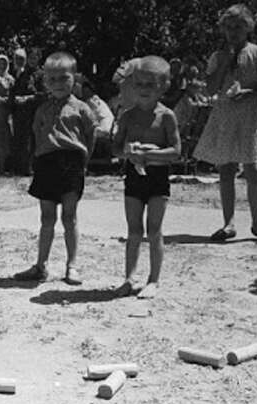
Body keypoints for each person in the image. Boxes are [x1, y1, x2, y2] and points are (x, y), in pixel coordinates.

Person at [193, 4, 257, 245]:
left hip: (250, 113)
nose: (233, 32)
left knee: (253, 169)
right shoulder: (218, 56)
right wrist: (224, 62)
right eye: (229, 28)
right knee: (226, 168)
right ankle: (228, 224)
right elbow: (210, 88)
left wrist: (250, 91)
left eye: (238, 27)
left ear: (248, 28)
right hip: (225, 113)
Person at [13, 52, 96, 285]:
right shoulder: (42, 109)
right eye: (52, 79)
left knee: (69, 217)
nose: (58, 83)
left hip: (71, 164)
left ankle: (72, 266)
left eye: (63, 78)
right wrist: (37, 160)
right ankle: (41, 266)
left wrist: (83, 162)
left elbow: (90, 136)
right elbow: (37, 134)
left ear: (74, 78)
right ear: (45, 81)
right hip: (46, 164)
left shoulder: (82, 109)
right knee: (47, 217)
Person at [111, 56, 182, 298]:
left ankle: (153, 280)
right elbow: (116, 148)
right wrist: (128, 152)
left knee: (154, 231)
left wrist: (150, 154)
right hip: (133, 176)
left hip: (157, 178)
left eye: (150, 85)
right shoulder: (127, 116)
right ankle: (129, 278)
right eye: (139, 84)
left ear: (163, 87)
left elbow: (176, 151)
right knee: (133, 231)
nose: (143, 89)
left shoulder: (166, 116)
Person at [9, 48, 42, 175]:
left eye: (34, 58)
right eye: (30, 58)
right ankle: (19, 167)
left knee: (32, 139)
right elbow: (15, 90)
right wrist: (14, 99)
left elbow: (45, 94)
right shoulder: (22, 74)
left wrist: (28, 98)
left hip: (34, 111)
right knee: (20, 138)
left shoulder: (41, 74)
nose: (31, 61)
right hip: (20, 112)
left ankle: (30, 167)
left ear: (38, 58)